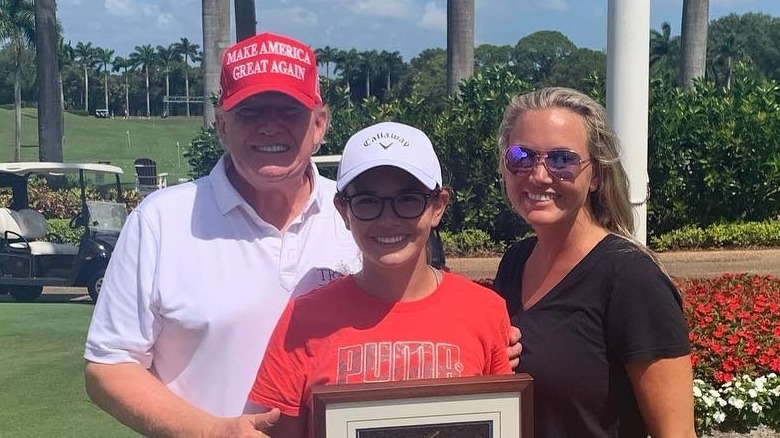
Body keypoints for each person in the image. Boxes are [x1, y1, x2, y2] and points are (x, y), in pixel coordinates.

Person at [83, 32, 363, 437]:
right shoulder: (161, 220)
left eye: (288, 111)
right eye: (250, 112)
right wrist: (211, 432)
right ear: (222, 125)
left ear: (319, 124)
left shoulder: (361, 212)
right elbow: (109, 366)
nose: (270, 127)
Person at [245, 121, 512, 438]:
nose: (388, 219)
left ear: (438, 206)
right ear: (344, 211)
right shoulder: (302, 320)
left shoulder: (485, 311)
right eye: (368, 201)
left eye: (408, 199)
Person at [492, 87, 695, 438]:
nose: (539, 175)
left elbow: (675, 433)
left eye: (561, 160)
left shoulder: (631, 277)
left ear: (597, 175)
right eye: (521, 156)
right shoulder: (514, 262)